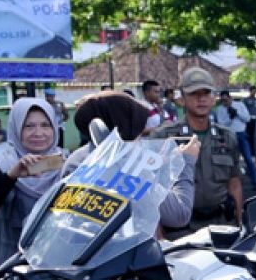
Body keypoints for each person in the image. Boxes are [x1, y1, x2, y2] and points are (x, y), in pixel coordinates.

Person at [67, 91, 199, 232]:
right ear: (125, 128)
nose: (141, 141)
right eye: (139, 134)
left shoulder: (76, 160)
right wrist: (185, 161)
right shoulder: (127, 167)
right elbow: (179, 214)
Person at [0, 99, 66, 261]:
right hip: (17, 264)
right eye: (28, 126)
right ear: (16, 128)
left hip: (63, 261)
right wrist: (10, 176)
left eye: (45, 125)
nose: (38, 133)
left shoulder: (69, 162)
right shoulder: (1, 164)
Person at [152, 68, 241, 235]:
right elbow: (152, 192)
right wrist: (159, 235)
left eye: (206, 93)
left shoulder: (227, 137)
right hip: (180, 229)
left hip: (221, 224)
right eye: (194, 94)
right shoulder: (164, 137)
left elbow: (234, 183)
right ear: (182, 100)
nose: (201, 99)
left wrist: (240, 222)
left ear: (214, 98)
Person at [213, 89, 256, 187]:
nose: (225, 102)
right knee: (231, 160)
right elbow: (220, 124)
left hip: (241, 134)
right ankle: (234, 183)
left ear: (230, 98)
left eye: (226, 100)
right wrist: (230, 118)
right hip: (229, 135)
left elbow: (247, 118)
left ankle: (255, 181)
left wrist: (237, 113)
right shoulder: (220, 109)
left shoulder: (239, 105)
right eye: (223, 101)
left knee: (248, 158)